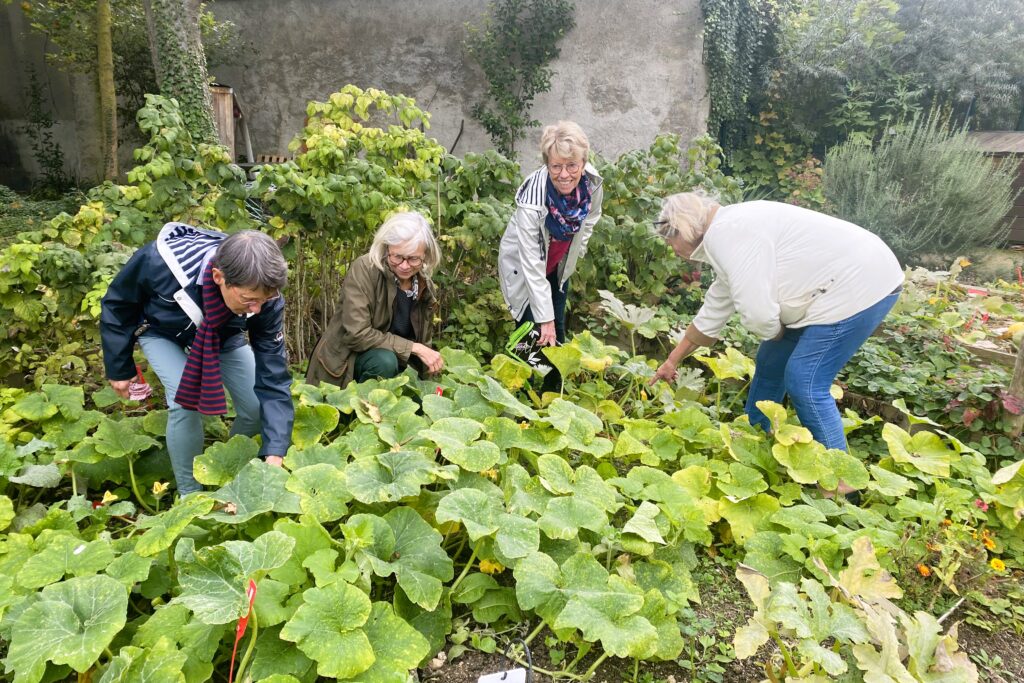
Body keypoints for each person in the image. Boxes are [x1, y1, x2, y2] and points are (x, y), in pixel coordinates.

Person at [650, 193, 904, 480]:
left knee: (805, 380)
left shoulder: (728, 233)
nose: (672, 250)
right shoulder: (727, 231)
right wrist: (672, 360)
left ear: (680, 228)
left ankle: (842, 487)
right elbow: (716, 307)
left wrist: (779, 332)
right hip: (837, 283)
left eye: (670, 241)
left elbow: (757, 313)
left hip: (861, 283)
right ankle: (753, 448)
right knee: (771, 363)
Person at [101, 224, 294, 496]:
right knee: (184, 400)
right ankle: (191, 495)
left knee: (255, 406)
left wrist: (275, 449)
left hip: (224, 335)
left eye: (264, 300)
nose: (257, 309)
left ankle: (226, 470)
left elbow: (273, 375)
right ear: (218, 277)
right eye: (249, 300)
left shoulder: (263, 295)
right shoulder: (160, 262)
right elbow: (118, 304)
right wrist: (119, 366)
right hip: (162, 331)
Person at [306, 211, 443, 388]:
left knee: (417, 394)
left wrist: (429, 388)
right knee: (384, 361)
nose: (404, 265)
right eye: (398, 257)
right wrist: (414, 348)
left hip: (398, 359)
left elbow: (424, 342)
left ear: (425, 256)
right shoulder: (364, 269)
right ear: (387, 248)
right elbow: (357, 334)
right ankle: (362, 412)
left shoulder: (424, 285)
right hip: (348, 362)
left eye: (413, 259)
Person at [498, 120, 603, 346]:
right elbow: (531, 263)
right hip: (524, 268)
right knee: (530, 332)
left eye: (572, 165)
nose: (564, 174)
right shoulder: (532, 202)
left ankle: (554, 380)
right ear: (547, 165)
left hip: (557, 265)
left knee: (557, 330)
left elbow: (592, 216)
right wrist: (544, 320)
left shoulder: (592, 186)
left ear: (583, 163)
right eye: (556, 166)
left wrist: (578, 249)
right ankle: (519, 375)